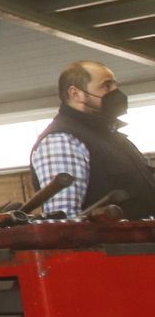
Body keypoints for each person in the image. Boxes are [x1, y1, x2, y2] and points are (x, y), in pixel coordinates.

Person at [31, 61, 155, 218]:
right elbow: (65, 221)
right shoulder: (62, 140)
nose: (116, 92)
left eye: (115, 85)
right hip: (112, 242)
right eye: (106, 86)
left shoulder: (112, 137)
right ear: (76, 94)